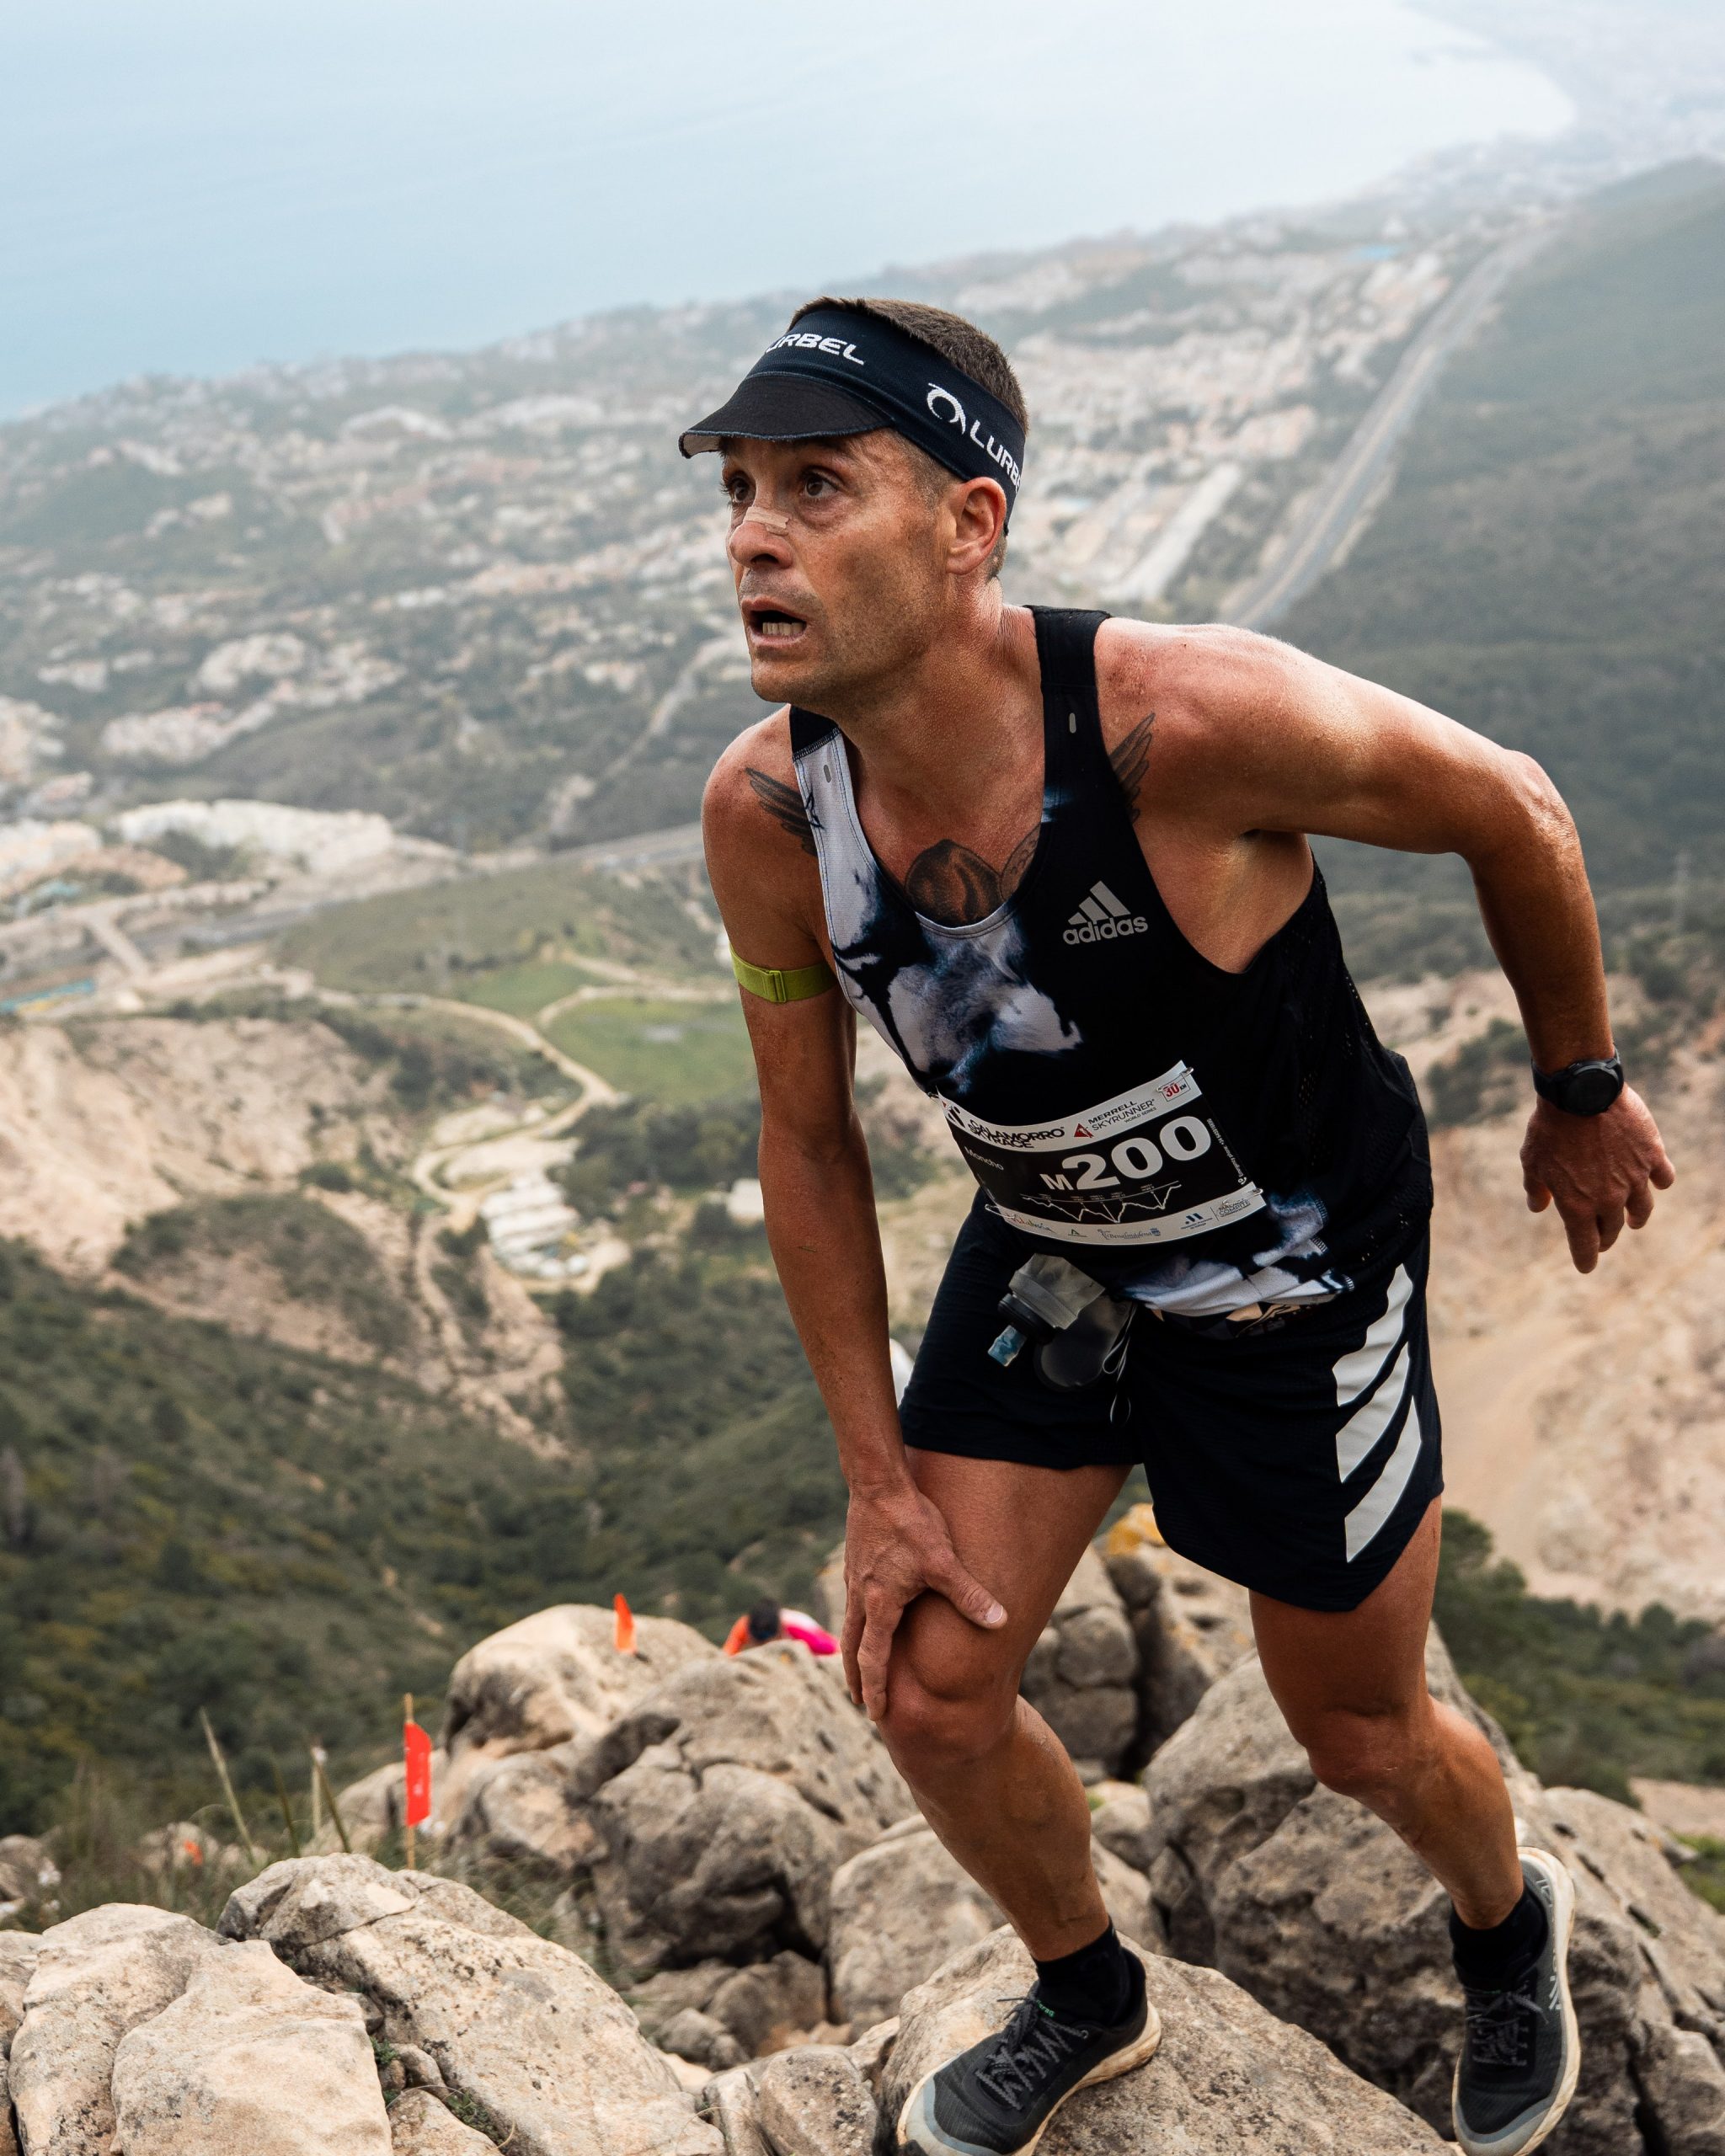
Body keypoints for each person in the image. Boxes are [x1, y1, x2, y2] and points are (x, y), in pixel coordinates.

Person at [686, 296, 1674, 2156]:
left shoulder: (1182, 725)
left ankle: (1502, 1920)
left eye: (815, 486)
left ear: (967, 523)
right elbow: (803, 1143)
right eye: (739, 490)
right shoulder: (766, 814)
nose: (753, 534)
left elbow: (1514, 809)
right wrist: (876, 1477)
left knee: (1354, 1733)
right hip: (1057, 1250)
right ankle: (1087, 1992)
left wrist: (1576, 1084)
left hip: (1293, 1271)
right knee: (926, 1685)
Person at [723, 1596, 839, 1657]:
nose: (763, 1644)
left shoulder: (793, 1626)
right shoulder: (744, 1625)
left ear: (779, 1629)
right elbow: (726, 1655)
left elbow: (832, 1647)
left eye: (767, 1639)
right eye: (759, 1639)